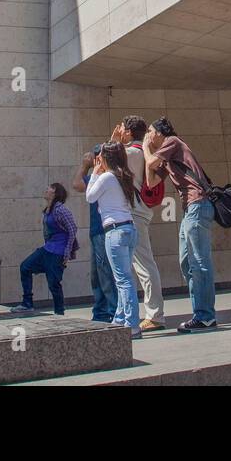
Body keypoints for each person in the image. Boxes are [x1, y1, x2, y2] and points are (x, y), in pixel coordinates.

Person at [144, 116, 217, 332]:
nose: (148, 135)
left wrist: (147, 149)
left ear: (158, 133)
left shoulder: (172, 142)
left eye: (150, 131)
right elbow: (151, 182)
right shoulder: (166, 155)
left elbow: (149, 162)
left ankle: (205, 316)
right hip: (190, 210)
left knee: (199, 262)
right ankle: (201, 314)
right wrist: (150, 156)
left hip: (198, 204)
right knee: (186, 263)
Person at [110, 115, 166, 332]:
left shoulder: (131, 153)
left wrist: (114, 140)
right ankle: (146, 313)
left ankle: (155, 315)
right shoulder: (142, 152)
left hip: (133, 214)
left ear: (129, 131)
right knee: (138, 265)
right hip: (140, 212)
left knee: (143, 265)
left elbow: (103, 162)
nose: (120, 131)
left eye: (122, 128)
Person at [86, 142, 142, 338]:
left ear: (105, 158)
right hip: (129, 228)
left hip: (115, 231)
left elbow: (90, 197)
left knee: (123, 280)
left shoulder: (107, 177)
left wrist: (95, 172)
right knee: (124, 279)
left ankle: (132, 324)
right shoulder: (124, 176)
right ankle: (120, 318)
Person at [8, 182, 78, 314]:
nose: (46, 190)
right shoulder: (48, 210)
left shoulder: (60, 209)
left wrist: (67, 253)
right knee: (25, 267)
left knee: (54, 283)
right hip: (47, 249)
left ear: (55, 193)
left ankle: (59, 312)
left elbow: (72, 229)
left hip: (58, 252)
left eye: (50, 188)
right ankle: (27, 303)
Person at [72, 146, 116, 323]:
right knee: (97, 275)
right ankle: (101, 311)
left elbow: (77, 184)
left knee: (105, 273)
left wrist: (85, 165)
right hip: (97, 231)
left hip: (104, 230)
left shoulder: (106, 178)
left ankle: (113, 311)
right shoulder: (99, 177)